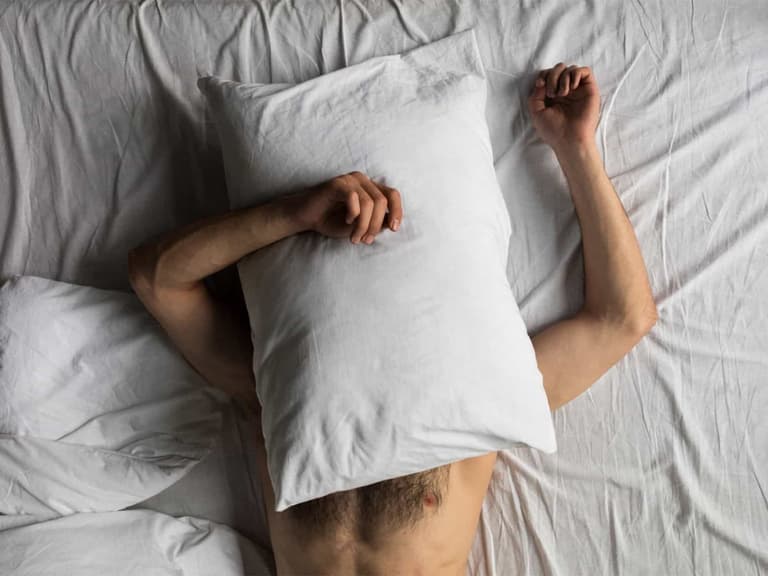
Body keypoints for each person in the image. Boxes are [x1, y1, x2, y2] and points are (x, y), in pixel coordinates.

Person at [129, 62, 657, 575]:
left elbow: (622, 318)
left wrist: (576, 147)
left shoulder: (471, 399)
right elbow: (157, 279)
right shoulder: (283, 389)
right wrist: (294, 214)